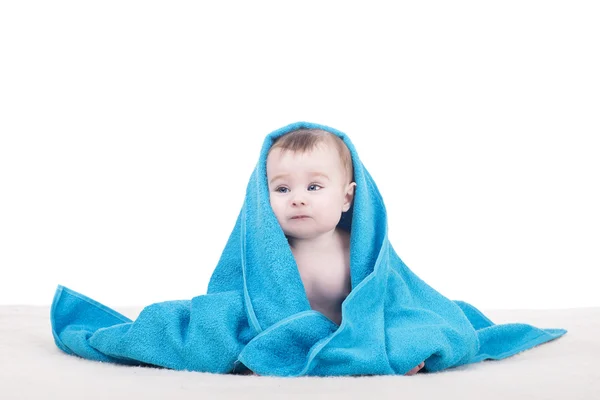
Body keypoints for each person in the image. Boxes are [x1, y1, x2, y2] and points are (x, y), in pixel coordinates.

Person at [263, 128, 425, 377]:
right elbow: (255, 309)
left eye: (314, 186)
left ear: (346, 197)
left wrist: (401, 346)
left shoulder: (361, 250)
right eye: (282, 189)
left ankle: (381, 357)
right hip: (296, 344)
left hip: (358, 340)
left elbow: (391, 301)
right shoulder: (270, 258)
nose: (297, 199)